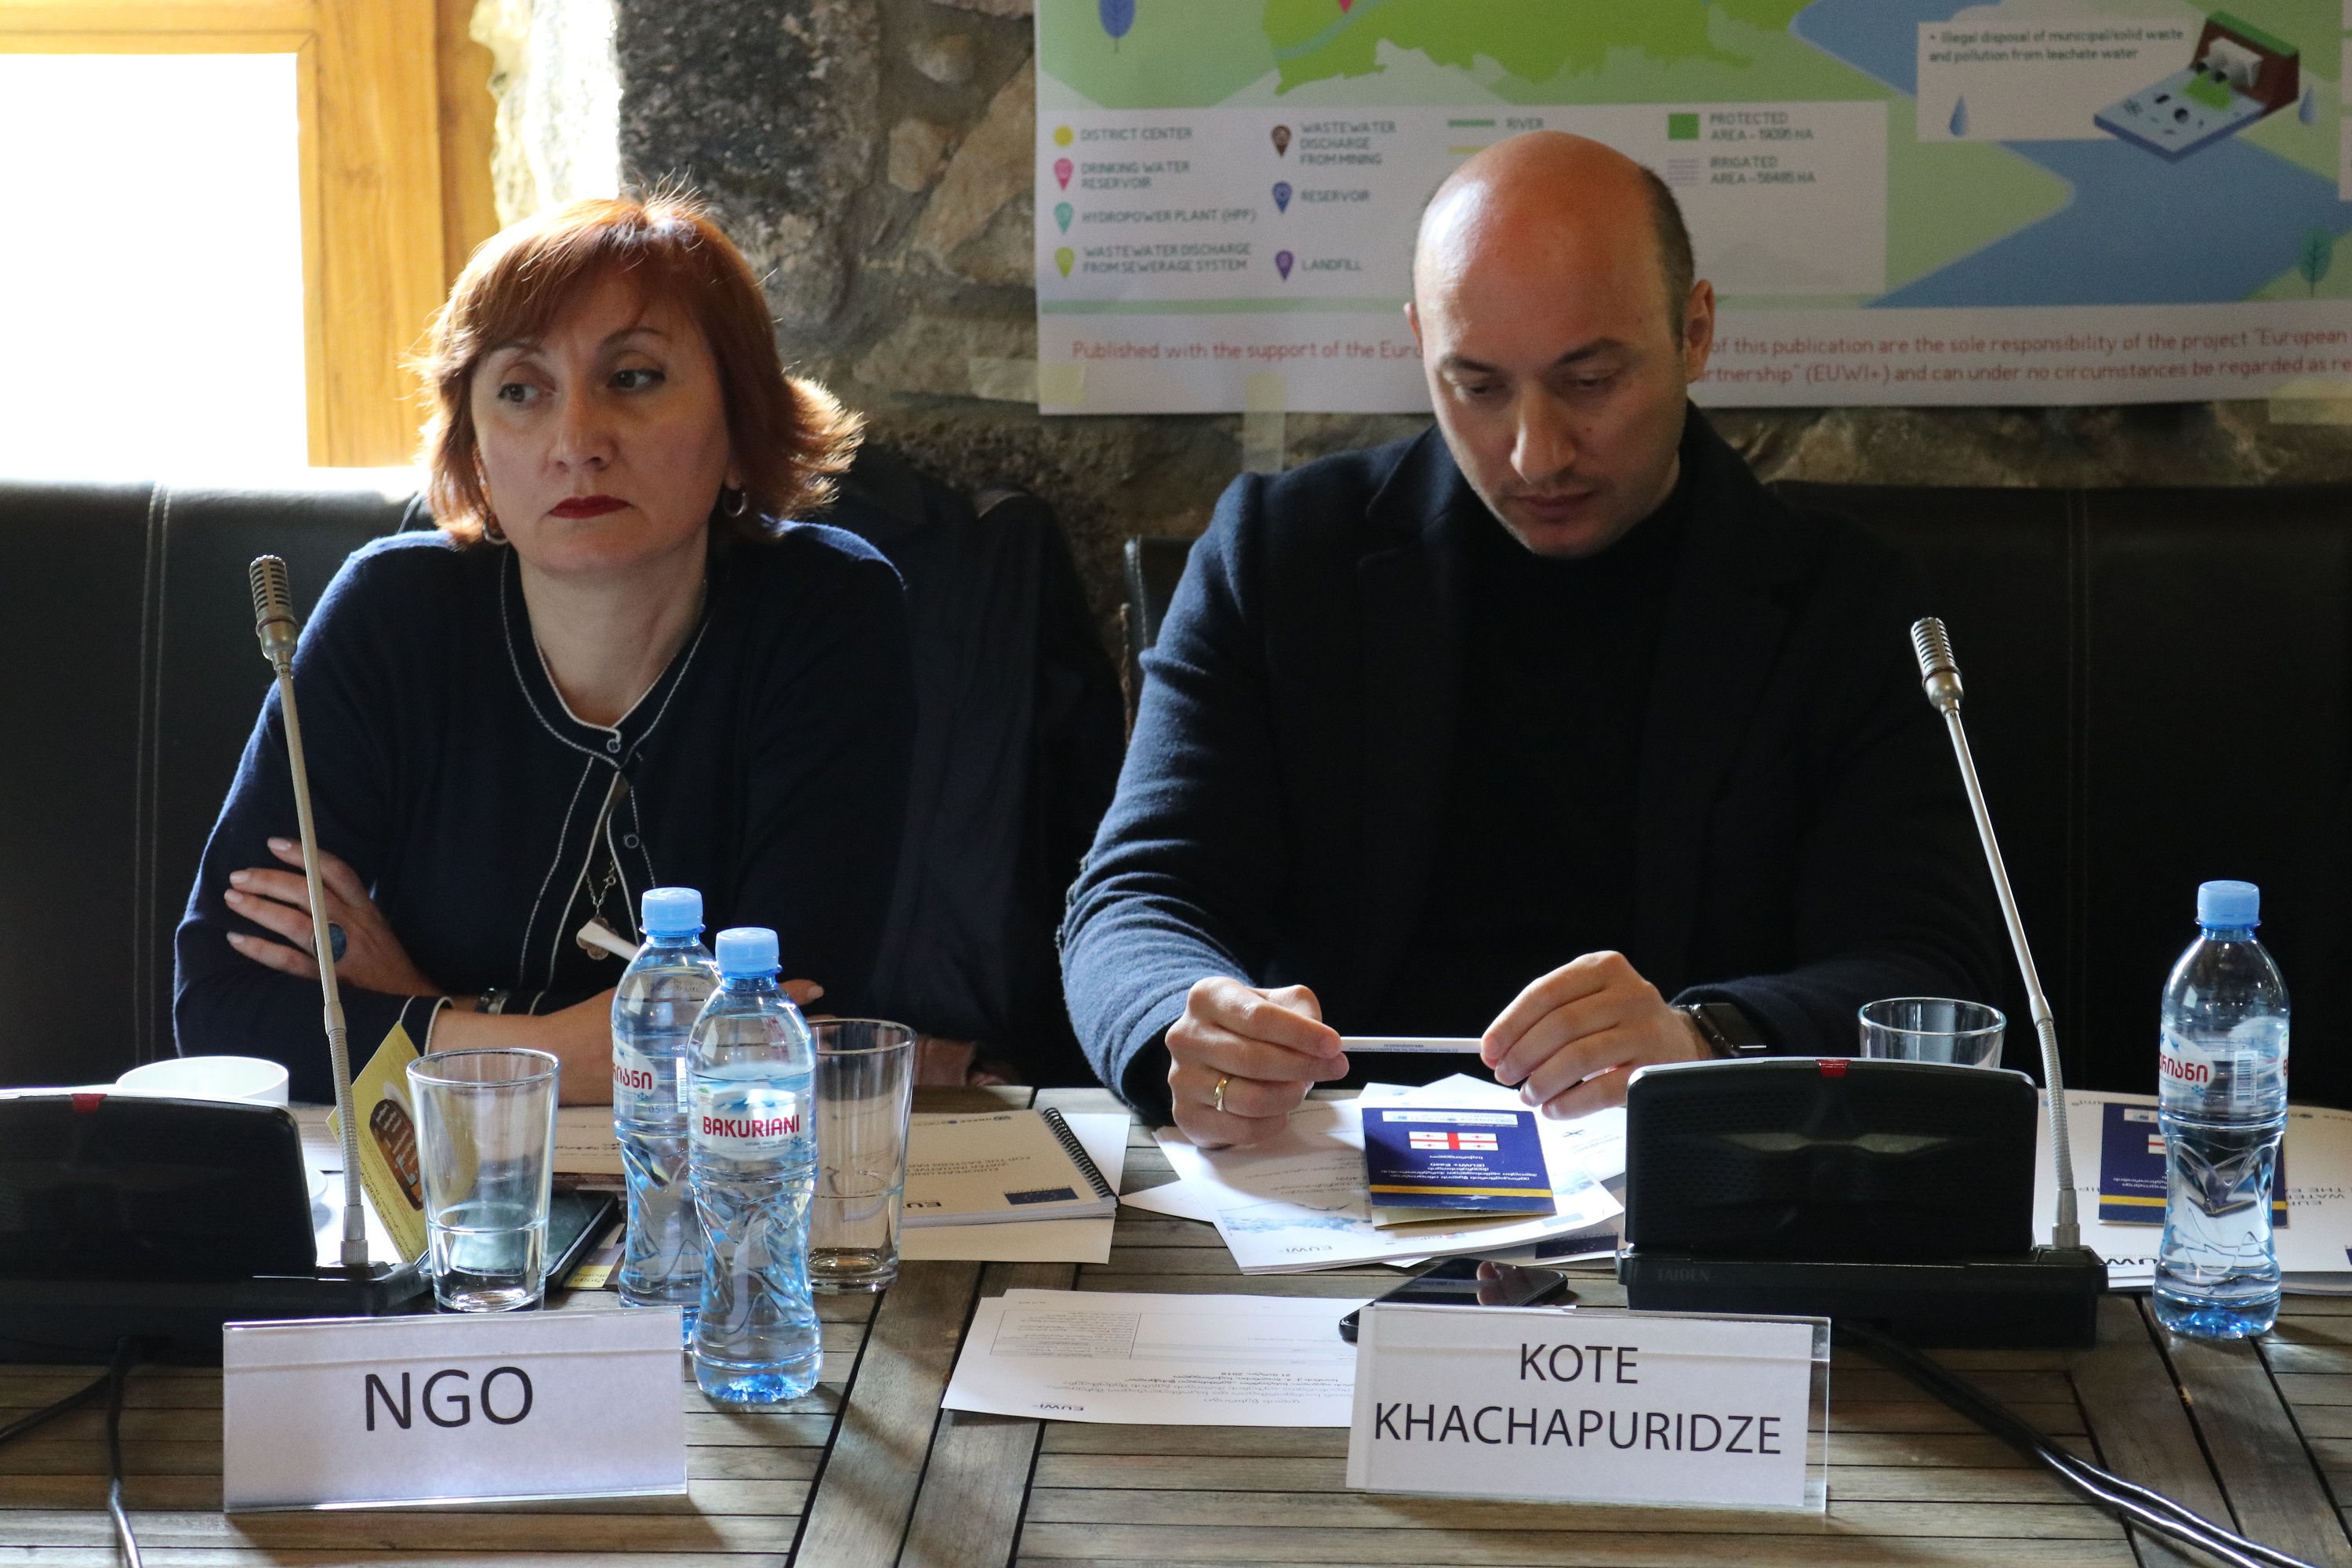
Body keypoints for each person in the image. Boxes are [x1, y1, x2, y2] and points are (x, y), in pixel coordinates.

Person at [1059, 132, 2005, 1147]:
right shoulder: (1279, 557)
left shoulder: (1845, 603)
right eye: (1477, 386)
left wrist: (1708, 1040)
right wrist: (1185, 1026)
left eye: (1590, 381)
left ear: (1694, 333)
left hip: (1697, 1169)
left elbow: (1930, 971)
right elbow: (1139, 894)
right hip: (1334, 1166)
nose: (1535, 453)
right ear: (1421, 341)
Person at [174, 194, 915, 1105]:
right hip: (440, 1181)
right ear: (476, 452)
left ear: (741, 422)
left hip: (727, 1178)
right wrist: (560, 1048)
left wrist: (426, 1009)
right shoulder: (389, 615)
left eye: (633, 378)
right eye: (521, 391)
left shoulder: (829, 608)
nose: (577, 443)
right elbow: (224, 1005)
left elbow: (782, 1026)